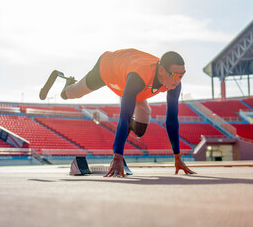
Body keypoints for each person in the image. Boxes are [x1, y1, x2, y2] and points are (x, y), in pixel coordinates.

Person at [40, 48, 196, 177]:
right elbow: (124, 116)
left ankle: (120, 140)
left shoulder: (174, 83)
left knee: (140, 130)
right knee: (74, 93)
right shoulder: (139, 76)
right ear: (162, 70)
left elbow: (171, 120)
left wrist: (177, 157)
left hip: (139, 89)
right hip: (108, 69)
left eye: (182, 75)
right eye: (175, 75)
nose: (178, 80)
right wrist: (117, 156)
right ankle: (68, 85)